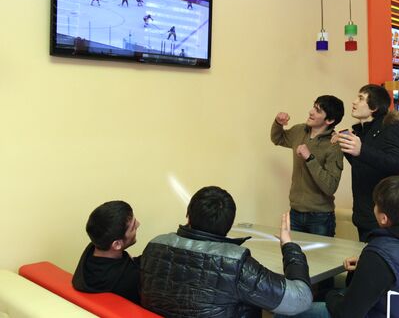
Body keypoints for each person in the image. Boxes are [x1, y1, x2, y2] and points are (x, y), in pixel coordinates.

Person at [277, 176, 399, 318]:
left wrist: (331, 295)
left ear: (383, 218)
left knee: (288, 310)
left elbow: (347, 314)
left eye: (376, 205)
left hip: (379, 314)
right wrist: (364, 269)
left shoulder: (379, 256)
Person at [140, 186, 313, 317]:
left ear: (188, 215)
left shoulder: (154, 245)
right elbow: (300, 298)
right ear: (229, 225)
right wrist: (289, 246)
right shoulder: (236, 263)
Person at [336, 84, 399, 242]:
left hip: (381, 217)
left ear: (374, 107)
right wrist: (346, 147)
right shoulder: (361, 131)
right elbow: (362, 165)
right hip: (363, 215)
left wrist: (362, 150)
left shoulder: (389, 128)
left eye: (360, 98)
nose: (354, 102)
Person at [271, 95, 345, 237]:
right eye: (313, 107)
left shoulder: (334, 145)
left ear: (329, 120)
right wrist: (278, 123)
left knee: (319, 259)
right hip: (295, 212)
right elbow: (277, 138)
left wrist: (309, 158)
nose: (311, 112)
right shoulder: (299, 131)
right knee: (293, 256)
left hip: (320, 218)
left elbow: (330, 187)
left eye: (317, 111)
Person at [72, 201, 141, 304]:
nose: (139, 224)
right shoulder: (128, 279)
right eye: (133, 227)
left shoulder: (92, 249)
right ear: (117, 244)